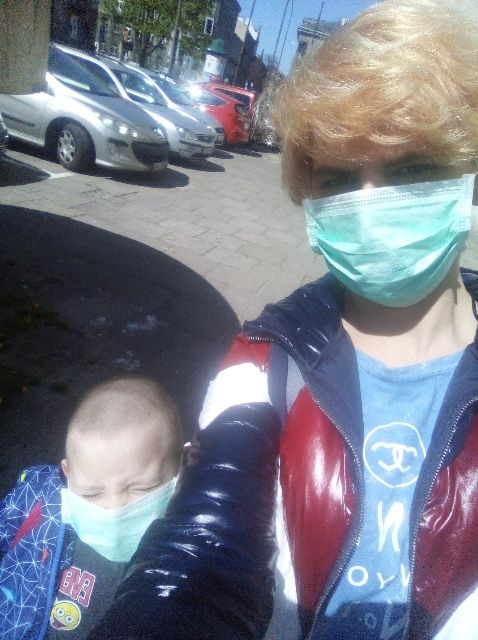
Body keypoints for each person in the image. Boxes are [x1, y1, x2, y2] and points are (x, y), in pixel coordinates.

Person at [86, 1, 478, 639]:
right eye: (340, 180)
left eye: (411, 170)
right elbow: (203, 553)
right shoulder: (265, 359)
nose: (370, 208)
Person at [0, 376, 182, 640]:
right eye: (91, 493)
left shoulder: (199, 554)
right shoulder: (37, 497)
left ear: (181, 468)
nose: (114, 509)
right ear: (68, 473)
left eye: (142, 488)